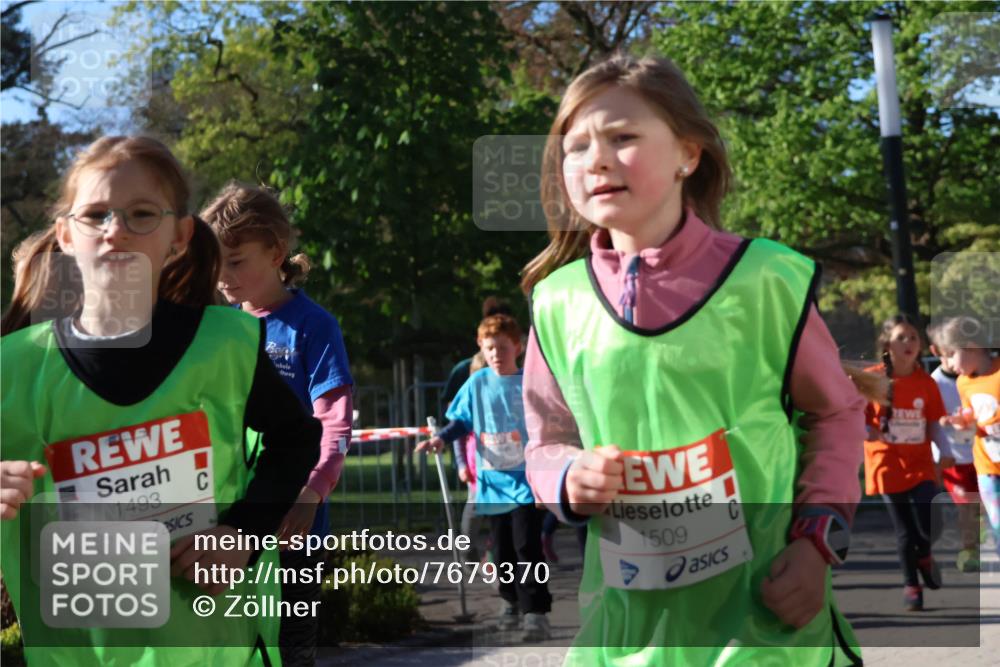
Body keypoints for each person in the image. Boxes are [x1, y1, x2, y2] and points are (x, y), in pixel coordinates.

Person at [520, 55, 865, 665]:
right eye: (574, 147)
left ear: (688, 153)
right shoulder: (555, 302)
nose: (595, 159)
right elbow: (546, 441)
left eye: (623, 138)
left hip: (762, 621)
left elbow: (834, 414)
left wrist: (817, 543)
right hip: (628, 628)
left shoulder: (767, 280)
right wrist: (570, 477)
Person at [0, 136, 321, 666]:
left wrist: (243, 532)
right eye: (96, 214)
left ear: (179, 237)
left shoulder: (226, 345)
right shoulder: (15, 367)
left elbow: (296, 436)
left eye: (142, 214)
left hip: (208, 648)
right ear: (64, 235)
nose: (116, 230)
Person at [202, 182, 354, 667]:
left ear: (276, 252)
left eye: (237, 260)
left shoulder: (314, 325)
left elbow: (334, 422)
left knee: (292, 649)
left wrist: (311, 494)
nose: (224, 276)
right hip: (232, 519)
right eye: (216, 263)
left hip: (294, 525)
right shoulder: (217, 328)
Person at [418, 314, 552, 641]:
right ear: (481, 346)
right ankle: (510, 603)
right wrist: (440, 440)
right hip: (492, 487)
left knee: (527, 547)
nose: (496, 354)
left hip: (526, 485)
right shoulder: (476, 384)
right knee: (502, 551)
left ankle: (535, 611)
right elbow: (461, 422)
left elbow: (549, 426)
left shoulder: (529, 383)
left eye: (503, 348)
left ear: (517, 348)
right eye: (490, 348)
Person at [861, 314, 954, 611]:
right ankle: (911, 584)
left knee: (928, 511)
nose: (909, 343)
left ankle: (924, 554)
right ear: (887, 344)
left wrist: (945, 449)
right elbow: (855, 417)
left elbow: (935, 422)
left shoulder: (925, 383)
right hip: (886, 462)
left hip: (919, 462)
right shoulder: (873, 378)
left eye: (913, 337)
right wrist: (869, 430)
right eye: (902, 337)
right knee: (903, 530)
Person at [937, 316, 1000, 558]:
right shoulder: (963, 383)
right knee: (996, 524)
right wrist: (960, 421)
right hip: (986, 466)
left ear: (971, 346)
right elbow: (970, 414)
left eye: (951, 354)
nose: (950, 364)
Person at [928, 319, 981, 572]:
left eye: (957, 353)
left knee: (983, 505)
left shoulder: (976, 378)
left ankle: (979, 538)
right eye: (947, 354)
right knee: (966, 506)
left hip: (982, 454)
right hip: (953, 459)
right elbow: (929, 421)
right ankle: (969, 549)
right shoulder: (934, 383)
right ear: (936, 352)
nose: (953, 360)